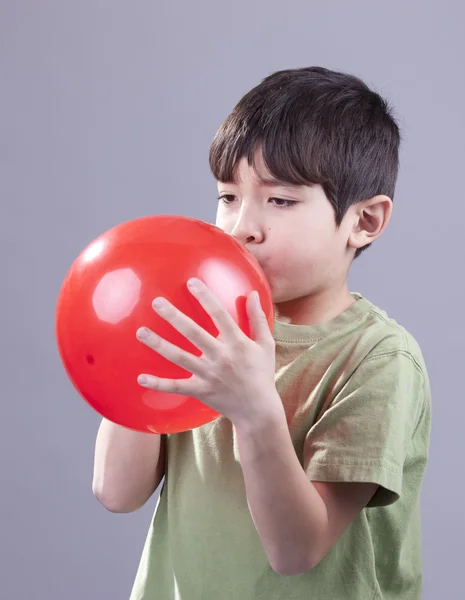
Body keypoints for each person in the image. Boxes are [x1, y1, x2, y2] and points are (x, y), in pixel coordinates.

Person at [92, 66, 431, 600]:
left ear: (364, 221)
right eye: (228, 196)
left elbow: (297, 551)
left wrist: (254, 409)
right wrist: (139, 352)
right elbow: (117, 492)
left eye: (280, 200)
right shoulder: (200, 325)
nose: (241, 226)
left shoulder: (379, 358)